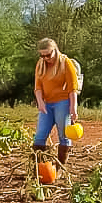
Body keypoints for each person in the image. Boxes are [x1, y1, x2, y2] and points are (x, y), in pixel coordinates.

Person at [33, 38, 78, 173]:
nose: (46, 58)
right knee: (40, 136)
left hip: (62, 102)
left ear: (55, 50)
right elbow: (38, 86)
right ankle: (40, 169)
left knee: (64, 135)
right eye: (42, 55)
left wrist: (73, 107)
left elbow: (72, 87)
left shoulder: (66, 63)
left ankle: (59, 169)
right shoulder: (41, 64)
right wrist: (40, 103)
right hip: (46, 103)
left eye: (48, 54)